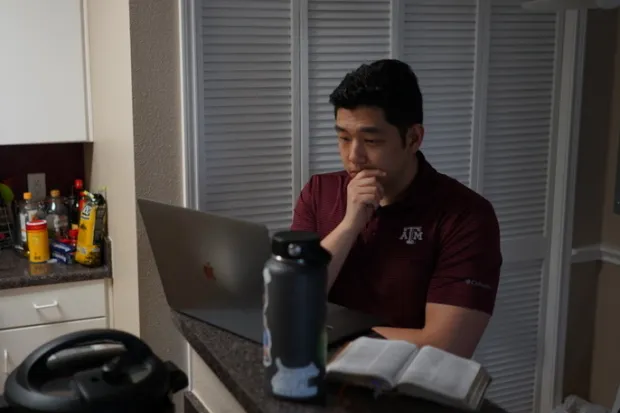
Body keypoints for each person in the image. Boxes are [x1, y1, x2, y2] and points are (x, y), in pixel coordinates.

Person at [291, 59, 502, 358]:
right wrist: (350, 225)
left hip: (408, 390)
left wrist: (320, 332)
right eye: (343, 138)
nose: (354, 156)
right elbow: (292, 301)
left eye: (371, 140)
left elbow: (447, 345)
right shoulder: (318, 192)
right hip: (320, 377)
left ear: (413, 138)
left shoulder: (467, 216)